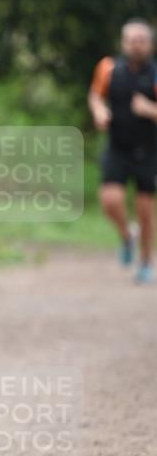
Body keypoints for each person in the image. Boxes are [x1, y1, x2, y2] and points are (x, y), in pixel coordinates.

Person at [88, 18, 157, 284]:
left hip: (149, 151)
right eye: (132, 41)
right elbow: (95, 95)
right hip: (117, 147)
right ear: (123, 43)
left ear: (149, 44)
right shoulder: (108, 68)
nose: (136, 46)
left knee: (145, 211)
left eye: (142, 41)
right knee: (110, 200)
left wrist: (150, 110)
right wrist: (99, 111)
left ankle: (146, 263)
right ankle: (128, 236)